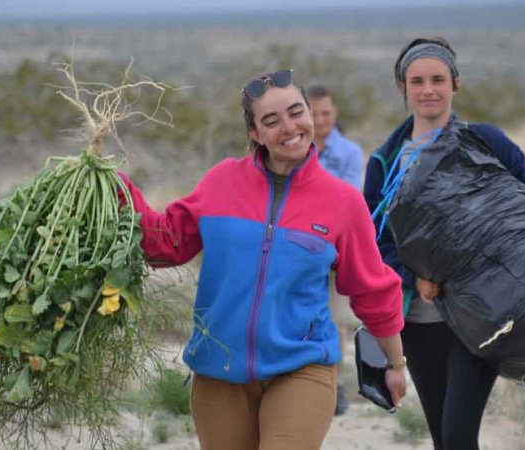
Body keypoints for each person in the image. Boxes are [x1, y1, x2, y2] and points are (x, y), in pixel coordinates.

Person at [118, 69, 407, 450]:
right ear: (254, 133)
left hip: (302, 367)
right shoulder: (221, 182)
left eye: (296, 111)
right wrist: (114, 186)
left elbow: (373, 289)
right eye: (271, 120)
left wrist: (396, 365)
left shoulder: (342, 201)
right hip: (218, 370)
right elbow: (165, 243)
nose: (290, 127)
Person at [363, 37, 525, 450]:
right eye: (418, 81)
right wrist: (412, 275)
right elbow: (372, 240)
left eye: (438, 80)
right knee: (445, 439)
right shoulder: (386, 161)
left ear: (455, 85)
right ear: (403, 89)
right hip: (420, 323)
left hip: (482, 316)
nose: (428, 89)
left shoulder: (485, 141)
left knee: (460, 436)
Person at [305, 84, 365, 415]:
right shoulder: (292, 151)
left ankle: (335, 387)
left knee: (336, 322)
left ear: (335, 114)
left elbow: (346, 200)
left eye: (326, 113)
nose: (321, 119)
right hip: (297, 252)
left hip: (337, 252)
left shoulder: (351, 154)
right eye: (314, 114)